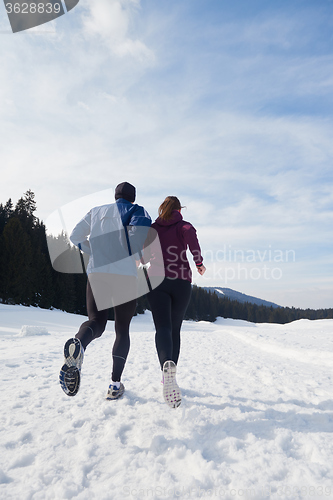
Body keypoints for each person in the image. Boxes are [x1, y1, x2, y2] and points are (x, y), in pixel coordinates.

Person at [59, 182, 152, 400]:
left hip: (97, 273)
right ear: (132, 197)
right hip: (125, 276)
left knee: (96, 322)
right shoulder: (137, 211)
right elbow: (137, 237)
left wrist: (94, 252)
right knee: (122, 329)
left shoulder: (95, 211)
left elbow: (75, 237)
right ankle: (114, 384)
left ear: (116, 195)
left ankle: (79, 343)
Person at [146, 196, 206, 408]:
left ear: (162, 208)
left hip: (156, 281)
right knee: (175, 330)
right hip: (181, 281)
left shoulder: (152, 228)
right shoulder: (183, 225)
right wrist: (198, 262)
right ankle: (170, 377)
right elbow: (190, 233)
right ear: (180, 209)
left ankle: (165, 370)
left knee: (162, 327)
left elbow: (143, 256)